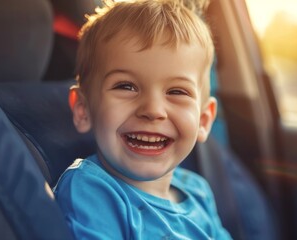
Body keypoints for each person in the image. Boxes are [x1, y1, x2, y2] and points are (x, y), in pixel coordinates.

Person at [53, 0, 232, 239]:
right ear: (83, 109)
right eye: (126, 86)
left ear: (203, 120)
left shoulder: (198, 191)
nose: (153, 109)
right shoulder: (90, 191)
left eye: (177, 91)